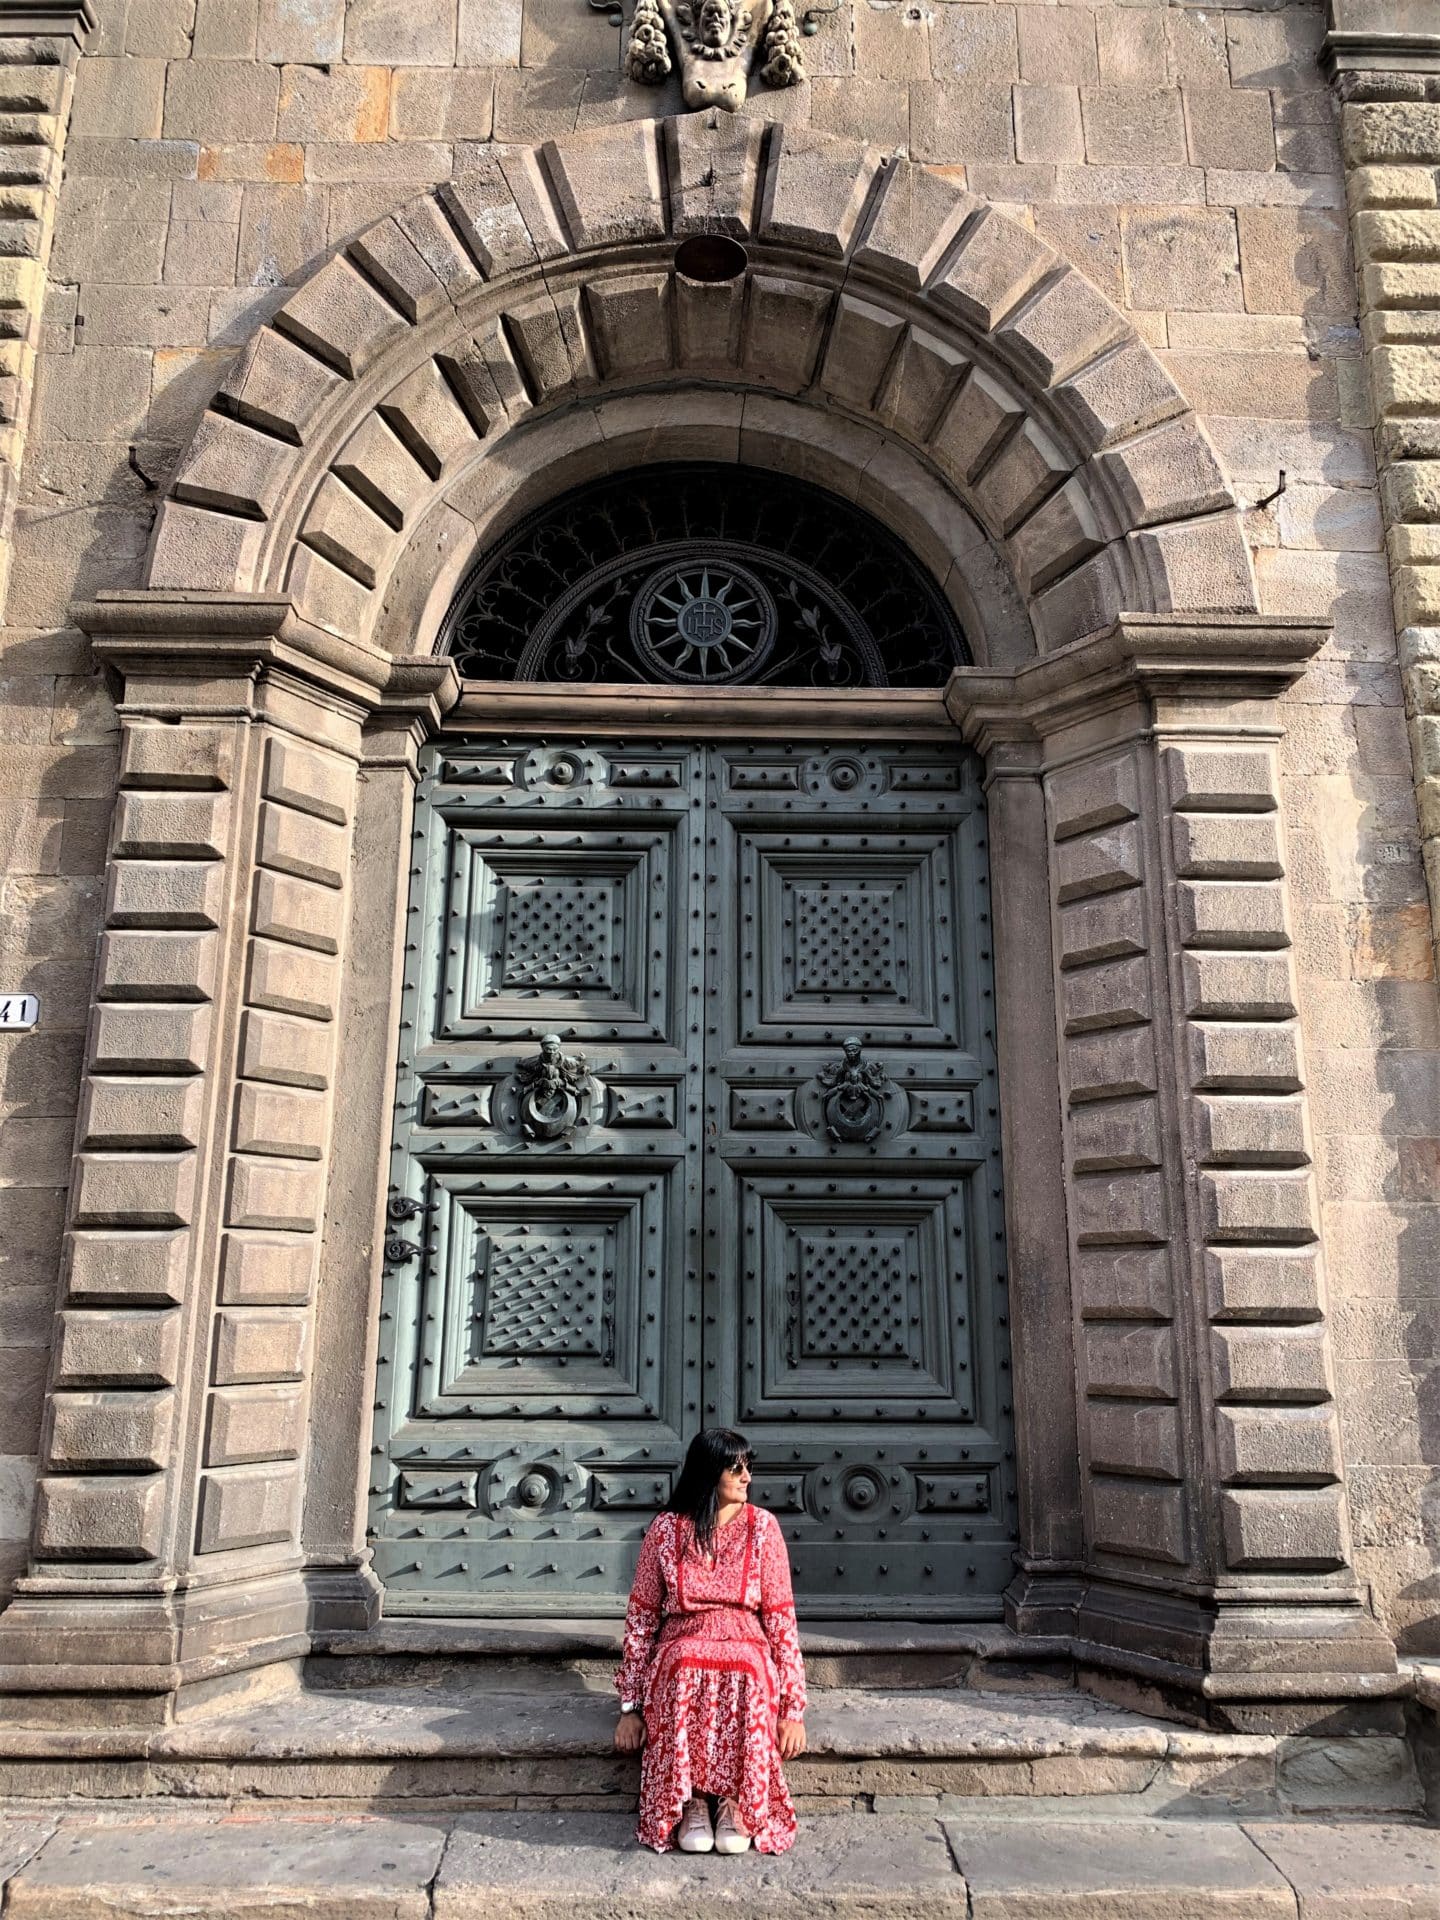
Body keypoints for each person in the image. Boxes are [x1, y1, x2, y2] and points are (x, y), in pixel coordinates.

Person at [613, 1428, 808, 1854]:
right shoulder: (666, 1530)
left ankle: (736, 1801)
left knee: (749, 1670)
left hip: (747, 1640)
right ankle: (693, 1801)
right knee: (684, 1662)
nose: (746, 1478)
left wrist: (792, 1710)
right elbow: (642, 1617)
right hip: (682, 1638)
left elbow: (781, 1618)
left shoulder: (763, 1528)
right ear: (707, 1474)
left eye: (748, 1468)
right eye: (735, 1468)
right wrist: (630, 1708)